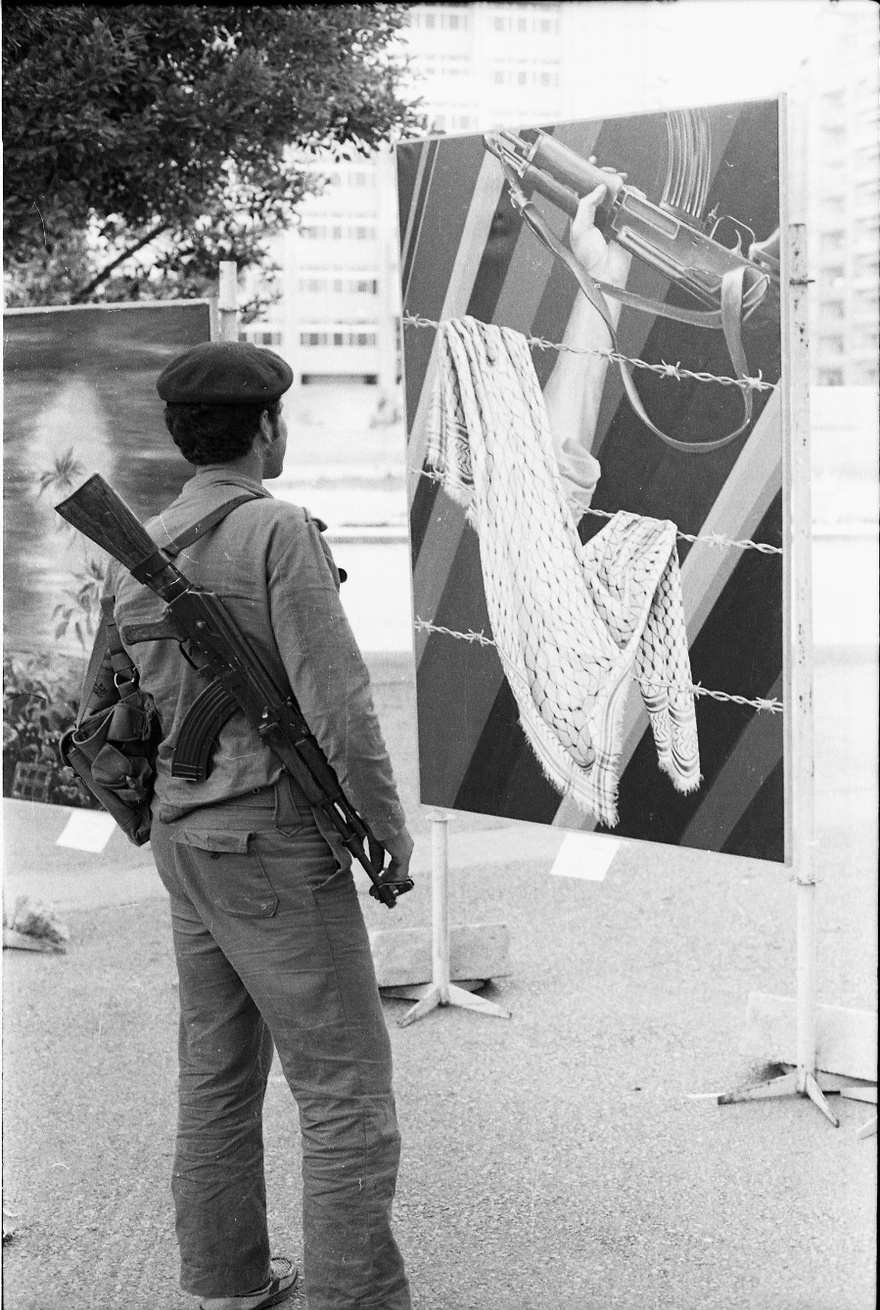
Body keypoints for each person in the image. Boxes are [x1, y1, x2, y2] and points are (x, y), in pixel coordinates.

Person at [104, 340, 414, 1310]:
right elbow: (340, 704)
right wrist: (385, 826)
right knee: (345, 1093)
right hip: (271, 844)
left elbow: (115, 707)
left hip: (185, 840)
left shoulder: (138, 547)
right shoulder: (278, 531)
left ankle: (226, 1281)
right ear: (268, 426)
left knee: (216, 1073)